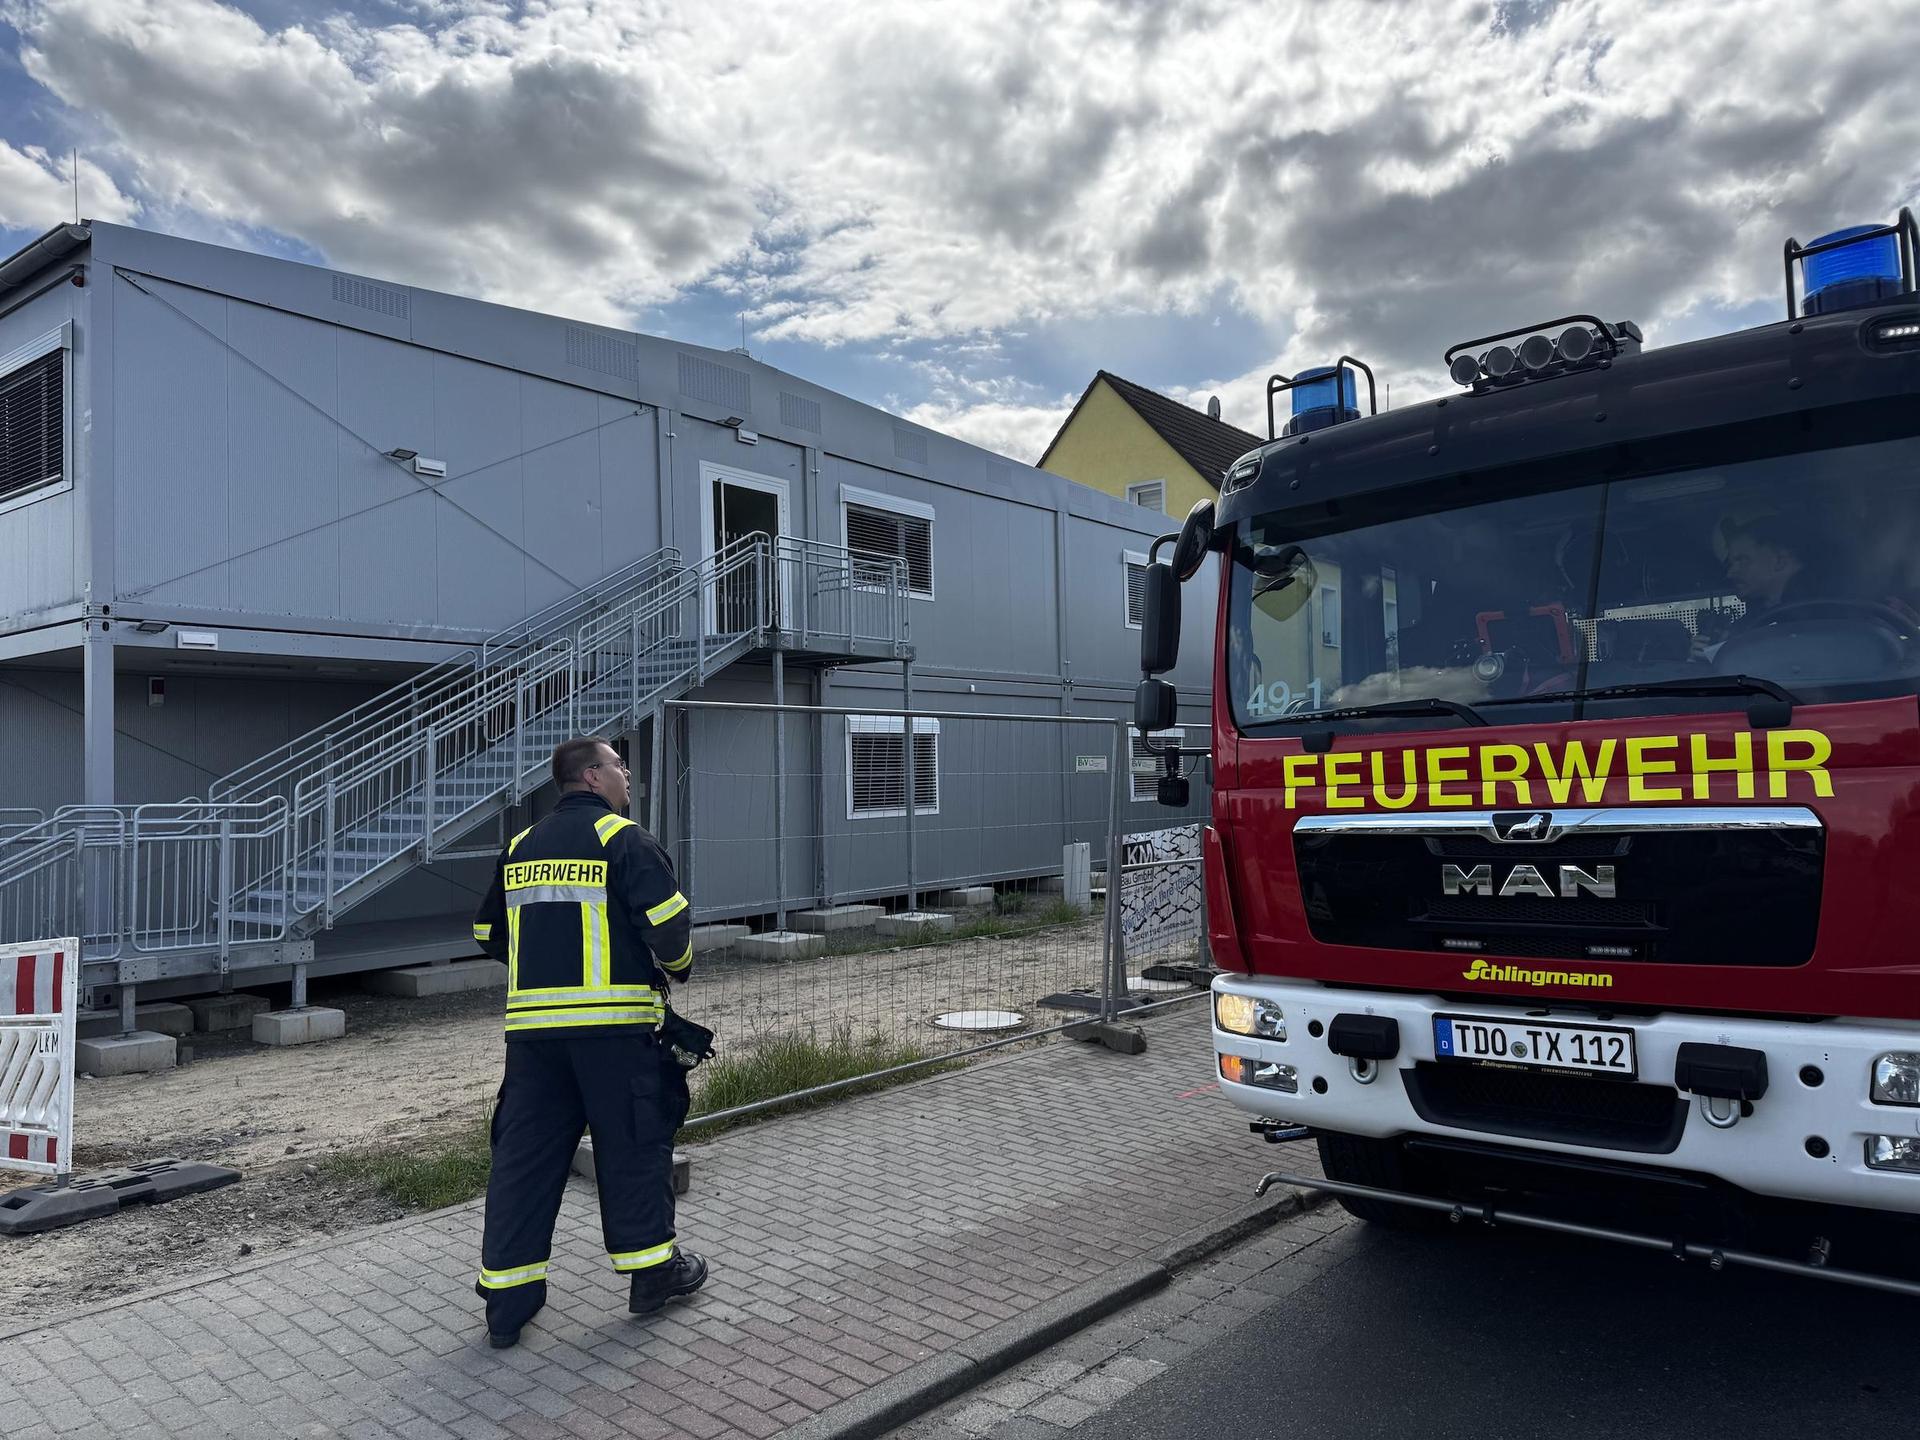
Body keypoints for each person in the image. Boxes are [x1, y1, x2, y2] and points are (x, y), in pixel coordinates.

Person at [469, 736, 707, 1348]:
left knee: (524, 1160)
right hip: (614, 1034)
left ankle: (507, 1301)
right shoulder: (624, 840)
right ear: (594, 777)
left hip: (532, 1039)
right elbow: (670, 930)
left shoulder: (520, 847)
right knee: (631, 1147)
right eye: (621, 767)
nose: (628, 778)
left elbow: (487, 933)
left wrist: (545, 966)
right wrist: (675, 966)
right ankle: (653, 1275)